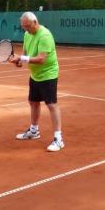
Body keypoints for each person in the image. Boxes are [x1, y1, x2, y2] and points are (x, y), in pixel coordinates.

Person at [12, 11, 64, 152]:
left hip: (48, 74)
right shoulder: (27, 34)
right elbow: (25, 54)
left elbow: (41, 59)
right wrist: (19, 61)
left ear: (35, 22)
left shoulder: (45, 35)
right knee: (33, 102)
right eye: (24, 27)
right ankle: (34, 131)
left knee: (51, 104)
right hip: (35, 75)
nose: (26, 29)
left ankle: (58, 139)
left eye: (28, 26)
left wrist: (22, 58)